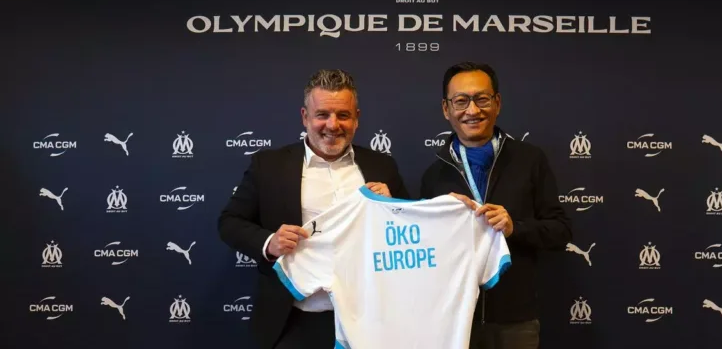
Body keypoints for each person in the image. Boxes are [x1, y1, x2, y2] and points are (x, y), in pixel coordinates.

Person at [218, 68, 410, 349]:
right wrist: (269, 242)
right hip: (294, 320)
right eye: (322, 114)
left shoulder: (382, 166)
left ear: (356, 118)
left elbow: (409, 233)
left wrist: (393, 207)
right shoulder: (269, 165)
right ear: (305, 117)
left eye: (343, 115)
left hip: (369, 321)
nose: (333, 125)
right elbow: (229, 222)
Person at [420, 62, 572, 349]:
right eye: (461, 101)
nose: (472, 110)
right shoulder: (434, 176)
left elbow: (561, 231)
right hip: (455, 322)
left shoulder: (529, 160)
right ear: (446, 109)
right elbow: (425, 252)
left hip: (515, 321)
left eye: (482, 99)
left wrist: (516, 228)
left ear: (497, 103)